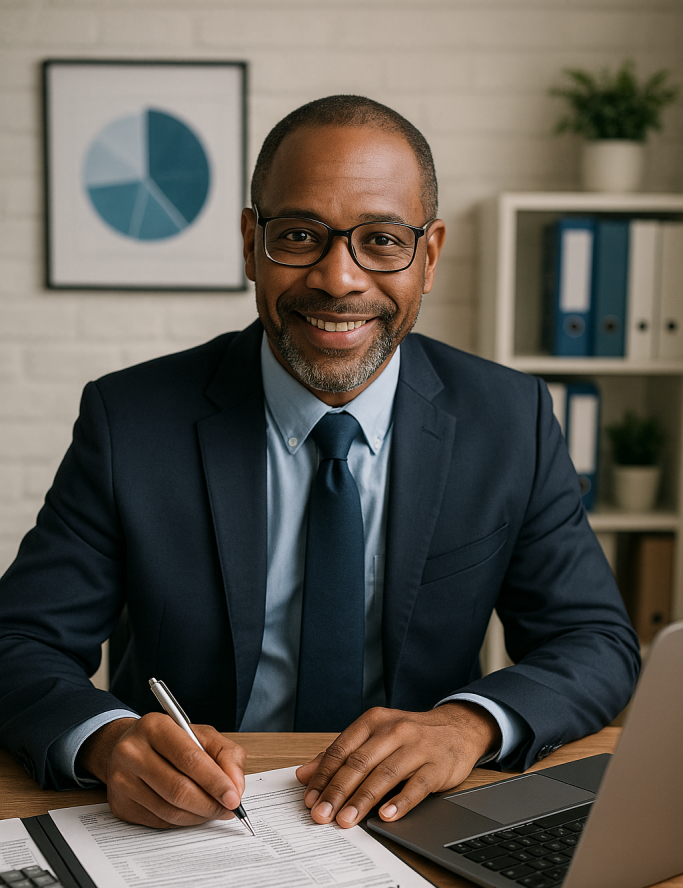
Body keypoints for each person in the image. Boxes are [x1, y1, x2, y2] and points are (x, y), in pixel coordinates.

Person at [0, 96, 639, 833]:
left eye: (380, 240)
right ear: (250, 243)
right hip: (195, 824)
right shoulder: (132, 421)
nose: (339, 279)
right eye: (300, 235)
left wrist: (468, 725)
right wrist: (108, 743)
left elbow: (592, 641)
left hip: (421, 814)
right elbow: (21, 642)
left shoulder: (508, 419)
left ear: (427, 257)